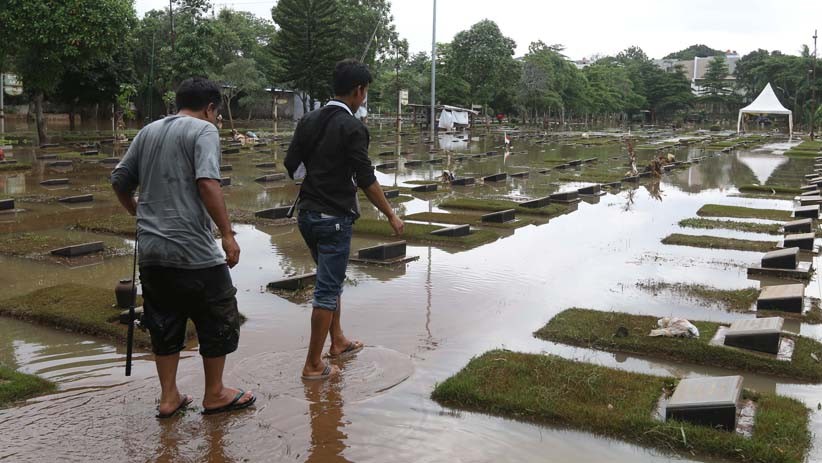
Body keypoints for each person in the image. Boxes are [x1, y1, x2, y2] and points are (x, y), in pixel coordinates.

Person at [111, 77, 255, 418]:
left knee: (163, 321)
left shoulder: (147, 131)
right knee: (218, 317)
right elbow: (207, 182)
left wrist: (138, 212)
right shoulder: (204, 130)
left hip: (152, 252)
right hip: (194, 249)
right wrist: (227, 234)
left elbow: (119, 180)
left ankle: (169, 397)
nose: (216, 120)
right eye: (217, 114)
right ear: (210, 108)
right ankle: (215, 393)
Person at [285, 59, 404, 381]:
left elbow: (292, 165)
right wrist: (391, 213)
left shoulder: (308, 120)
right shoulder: (353, 127)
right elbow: (366, 178)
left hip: (307, 215)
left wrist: (316, 179)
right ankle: (313, 364)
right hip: (333, 219)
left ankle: (337, 340)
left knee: (330, 279)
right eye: (366, 92)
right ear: (359, 90)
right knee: (327, 290)